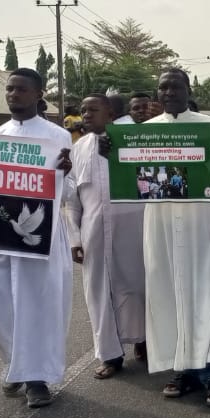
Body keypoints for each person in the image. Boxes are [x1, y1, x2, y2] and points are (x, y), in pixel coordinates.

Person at [111, 68, 210, 408]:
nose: (169, 92)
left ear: (188, 89)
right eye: (163, 88)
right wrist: (109, 153)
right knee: (168, 295)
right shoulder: (145, 133)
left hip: (202, 227)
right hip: (163, 226)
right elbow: (126, 177)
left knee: (207, 296)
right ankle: (181, 369)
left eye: (176, 86)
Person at [0, 69, 73, 409]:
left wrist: (63, 175)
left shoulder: (57, 136)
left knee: (33, 306)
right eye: (9, 89)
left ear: (38, 95)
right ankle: (15, 364)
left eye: (21, 89)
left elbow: (68, 193)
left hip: (38, 237)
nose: (13, 94)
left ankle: (35, 378)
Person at [65, 94, 146, 377]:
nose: (86, 115)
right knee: (98, 293)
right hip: (94, 232)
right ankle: (110, 356)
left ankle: (144, 340)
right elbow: (72, 200)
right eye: (83, 110)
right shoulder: (78, 148)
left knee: (138, 287)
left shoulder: (134, 138)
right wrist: (75, 239)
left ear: (110, 112)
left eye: (93, 110)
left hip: (134, 230)